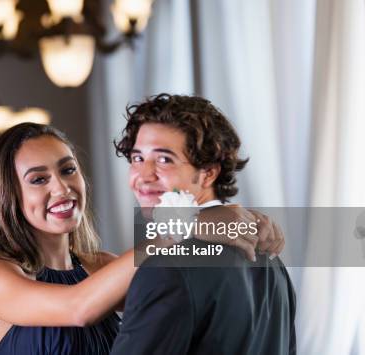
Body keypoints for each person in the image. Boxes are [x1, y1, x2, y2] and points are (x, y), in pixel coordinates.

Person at [0, 123, 284, 355]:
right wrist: (184, 224)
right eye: (38, 179)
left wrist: (245, 223)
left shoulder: (102, 266)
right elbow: (78, 308)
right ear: (7, 195)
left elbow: (187, 303)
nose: (61, 188)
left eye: (68, 170)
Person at [109, 94, 296, 355]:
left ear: (208, 172)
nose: (143, 175)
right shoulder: (272, 263)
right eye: (137, 158)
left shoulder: (166, 268)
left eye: (164, 160)